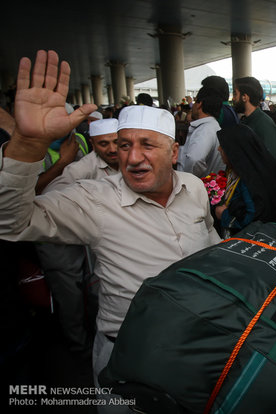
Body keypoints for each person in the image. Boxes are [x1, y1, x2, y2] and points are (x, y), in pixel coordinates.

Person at [0, 50, 221, 412]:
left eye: (147, 145)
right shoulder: (93, 199)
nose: (132, 158)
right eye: (123, 145)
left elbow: (212, 244)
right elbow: (10, 222)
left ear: (174, 151)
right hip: (127, 360)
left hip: (199, 350)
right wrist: (26, 145)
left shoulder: (194, 187)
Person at [35, 118, 120, 355]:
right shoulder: (79, 168)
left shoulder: (126, 158)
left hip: (99, 240)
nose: (111, 149)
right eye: (104, 144)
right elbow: (46, 195)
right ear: (93, 144)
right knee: (70, 294)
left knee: (99, 288)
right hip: (61, 238)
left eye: (116, 142)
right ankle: (79, 347)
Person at [215, 124, 276, 237]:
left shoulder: (250, 181)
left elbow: (253, 218)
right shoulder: (235, 170)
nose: (219, 148)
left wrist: (224, 215)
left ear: (234, 151)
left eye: (223, 146)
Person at [176, 84, 225, 178]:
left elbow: (195, 159)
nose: (193, 106)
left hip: (193, 186)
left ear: (200, 104)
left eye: (194, 102)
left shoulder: (205, 129)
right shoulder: (211, 126)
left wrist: (188, 180)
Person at [233, 76, 276, 162]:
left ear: (245, 97)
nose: (233, 98)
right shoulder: (246, 120)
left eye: (235, 94)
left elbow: (269, 162)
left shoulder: (264, 124)